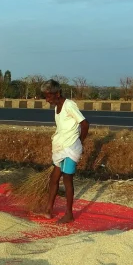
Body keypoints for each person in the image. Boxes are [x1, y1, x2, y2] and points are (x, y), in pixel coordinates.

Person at [42, 79, 89, 224]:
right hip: (61, 147)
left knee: (67, 180)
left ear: (58, 93)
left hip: (71, 148)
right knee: (54, 178)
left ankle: (69, 214)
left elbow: (85, 124)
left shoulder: (69, 105)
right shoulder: (57, 107)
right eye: (46, 96)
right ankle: (49, 209)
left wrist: (80, 142)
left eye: (49, 96)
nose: (47, 99)